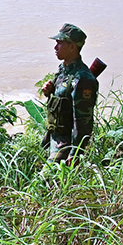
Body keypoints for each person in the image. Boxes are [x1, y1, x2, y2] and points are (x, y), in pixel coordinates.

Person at [41, 24, 98, 163]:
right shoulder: (63, 69)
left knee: (45, 180)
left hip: (65, 144)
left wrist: (75, 153)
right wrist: (49, 92)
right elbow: (61, 101)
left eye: (59, 43)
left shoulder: (83, 78)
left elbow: (83, 121)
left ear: (72, 47)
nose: (55, 48)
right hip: (52, 137)